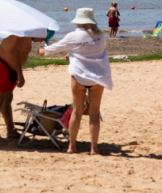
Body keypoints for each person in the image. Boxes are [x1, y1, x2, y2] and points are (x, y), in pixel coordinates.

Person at [38, 9, 113, 155]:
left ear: (78, 21)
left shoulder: (73, 36)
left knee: (77, 112)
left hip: (79, 76)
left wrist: (41, 50)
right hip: (97, 77)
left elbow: (51, 49)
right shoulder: (100, 35)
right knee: (94, 113)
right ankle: (94, 149)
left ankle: (72, 147)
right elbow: (92, 51)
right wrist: (71, 53)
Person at [0, 34, 35, 143]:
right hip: (1, 64)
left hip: (11, 67)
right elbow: (12, 53)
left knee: (8, 99)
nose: (44, 39)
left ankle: (10, 130)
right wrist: (20, 73)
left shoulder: (27, 37)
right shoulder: (22, 35)